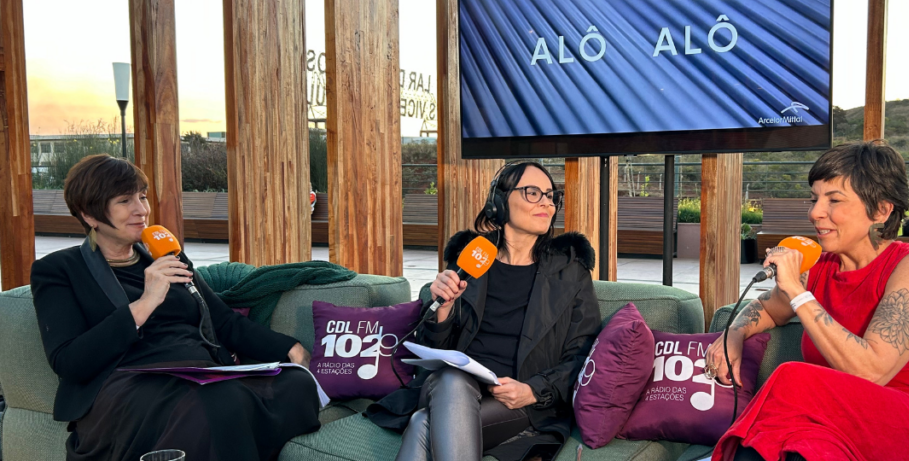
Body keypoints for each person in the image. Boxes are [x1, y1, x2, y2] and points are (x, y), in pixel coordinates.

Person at [704, 141, 909, 461]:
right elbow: (767, 307)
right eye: (814, 198)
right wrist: (732, 335)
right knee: (798, 446)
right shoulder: (820, 268)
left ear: (881, 210)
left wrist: (797, 291)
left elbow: (870, 372)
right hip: (846, 431)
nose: (815, 212)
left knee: (793, 378)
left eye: (834, 200)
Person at [30, 155, 321, 461]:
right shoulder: (59, 270)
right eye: (125, 200)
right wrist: (145, 303)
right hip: (128, 382)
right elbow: (69, 361)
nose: (141, 210)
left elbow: (223, 322)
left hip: (199, 375)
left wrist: (291, 349)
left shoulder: (167, 257)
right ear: (89, 214)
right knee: (221, 402)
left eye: (142, 197)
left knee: (295, 384)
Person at [368, 161, 601, 461]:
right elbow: (432, 355)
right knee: (451, 379)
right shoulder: (470, 259)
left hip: (518, 399)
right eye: (532, 192)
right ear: (499, 203)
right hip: (451, 385)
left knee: (421, 423)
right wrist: (444, 309)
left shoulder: (570, 273)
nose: (546, 202)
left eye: (550, 195)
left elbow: (583, 355)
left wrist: (532, 390)